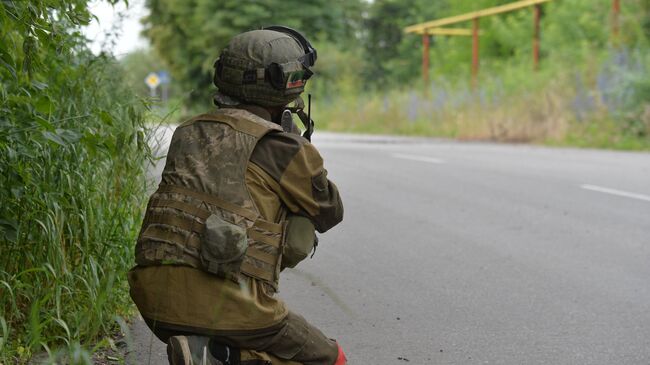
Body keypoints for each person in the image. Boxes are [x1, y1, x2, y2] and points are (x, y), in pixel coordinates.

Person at [127, 26, 346, 365]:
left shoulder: (186, 132)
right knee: (331, 358)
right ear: (286, 82)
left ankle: (213, 351)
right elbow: (329, 211)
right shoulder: (283, 147)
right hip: (235, 308)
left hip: (153, 300)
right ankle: (221, 356)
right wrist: (300, 146)